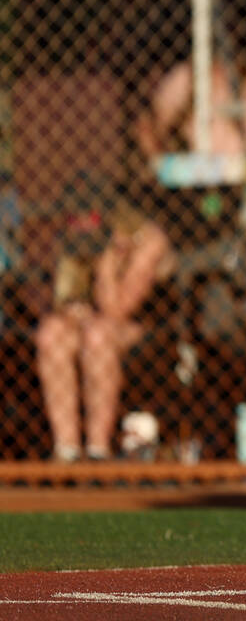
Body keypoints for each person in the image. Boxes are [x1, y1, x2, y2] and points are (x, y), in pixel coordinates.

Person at [35, 179, 175, 461]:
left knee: (97, 334)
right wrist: (73, 310)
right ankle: (67, 450)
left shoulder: (146, 241)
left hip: (145, 327)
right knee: (50, 333)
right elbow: (61, 299)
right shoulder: (71, 240)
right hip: (92, 324)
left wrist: (109, 259)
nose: (82, 228)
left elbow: (118, 310)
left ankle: (97, 451)